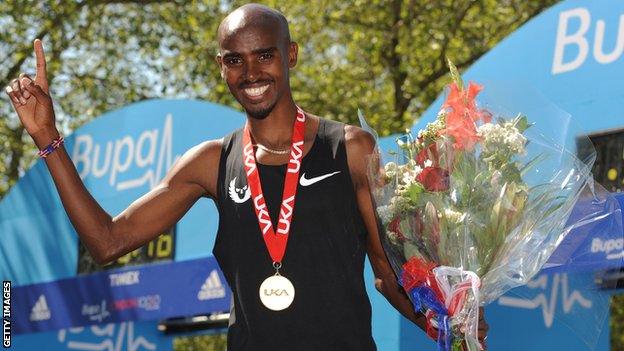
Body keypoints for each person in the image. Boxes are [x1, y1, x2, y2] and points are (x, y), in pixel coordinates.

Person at [5, 3, 487, 350]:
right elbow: (108, 242)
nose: (250, 71)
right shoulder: (210, 162)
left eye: (265, 55)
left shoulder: (350, 148)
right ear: (221, 67)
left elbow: (387, 271)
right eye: (235, 59)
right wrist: (50, 141)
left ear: (290, 54)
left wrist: (445, 324)